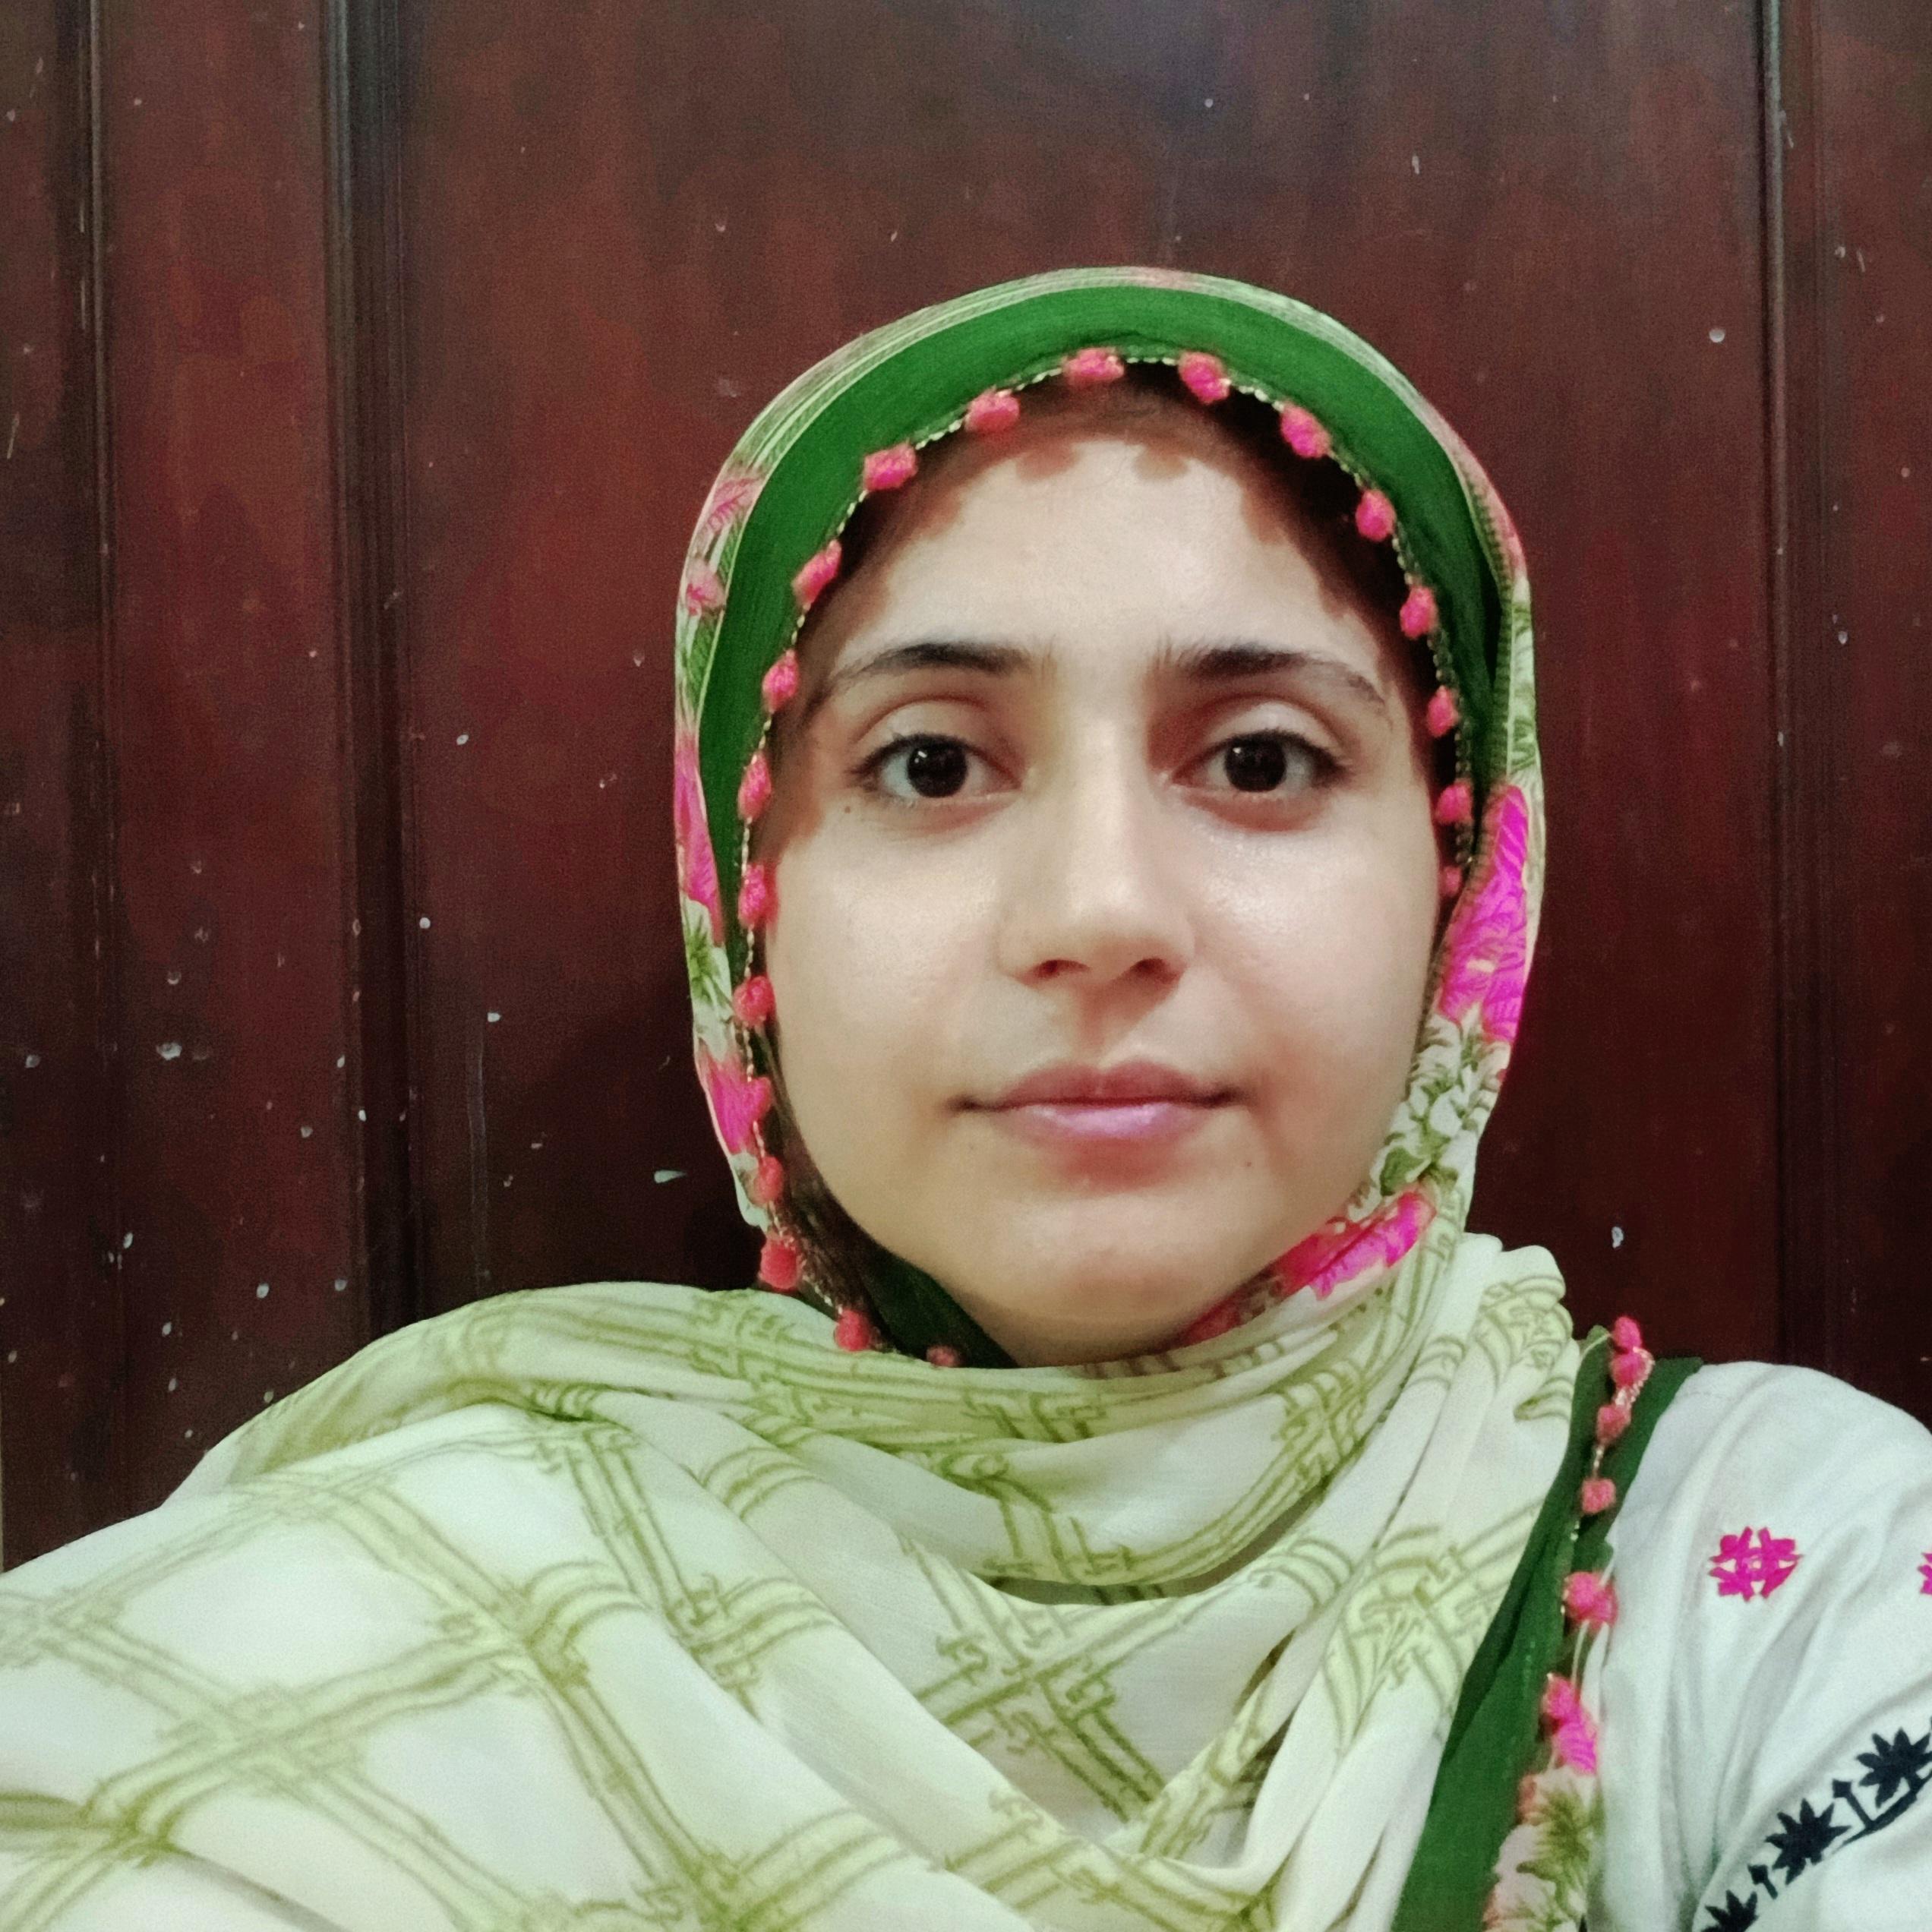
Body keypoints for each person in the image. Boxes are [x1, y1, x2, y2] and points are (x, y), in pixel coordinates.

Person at [0, 267, 1927, 1930]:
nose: (1099, 915)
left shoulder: (1772, 1576)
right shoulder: (378, 1623)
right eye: (930, 766)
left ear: (1462, 891)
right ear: (742, 906)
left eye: (1261, 760)